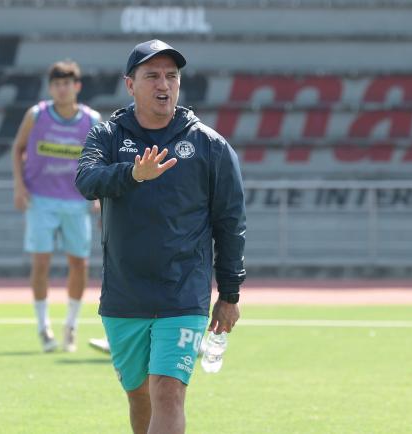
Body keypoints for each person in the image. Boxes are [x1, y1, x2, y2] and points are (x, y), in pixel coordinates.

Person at [75, 39, 246, 434]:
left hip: (183, 294)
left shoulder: (209, 146)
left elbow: (230, 222)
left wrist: (230, 294)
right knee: (140, 397)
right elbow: (86, 180)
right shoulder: (107, 136)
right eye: (152, 76)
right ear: (130, 84)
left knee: (168, 392)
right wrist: (133, 174)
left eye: (171, 76)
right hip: (124, 295)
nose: (163, 84)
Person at [11, 60, 101, 353]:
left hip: (76, 202)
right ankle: (43, 326)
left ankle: (71, 325)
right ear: (50, 88)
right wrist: (19, 185)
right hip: (41, 200)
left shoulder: (91, 120)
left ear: (77, 87)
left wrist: (99, 194)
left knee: (79, 264)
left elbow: (100, 160)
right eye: (57, 84)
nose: (62, 89)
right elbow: (18, 148)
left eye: (67, 84)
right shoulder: (36, 115)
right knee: (41, 263)